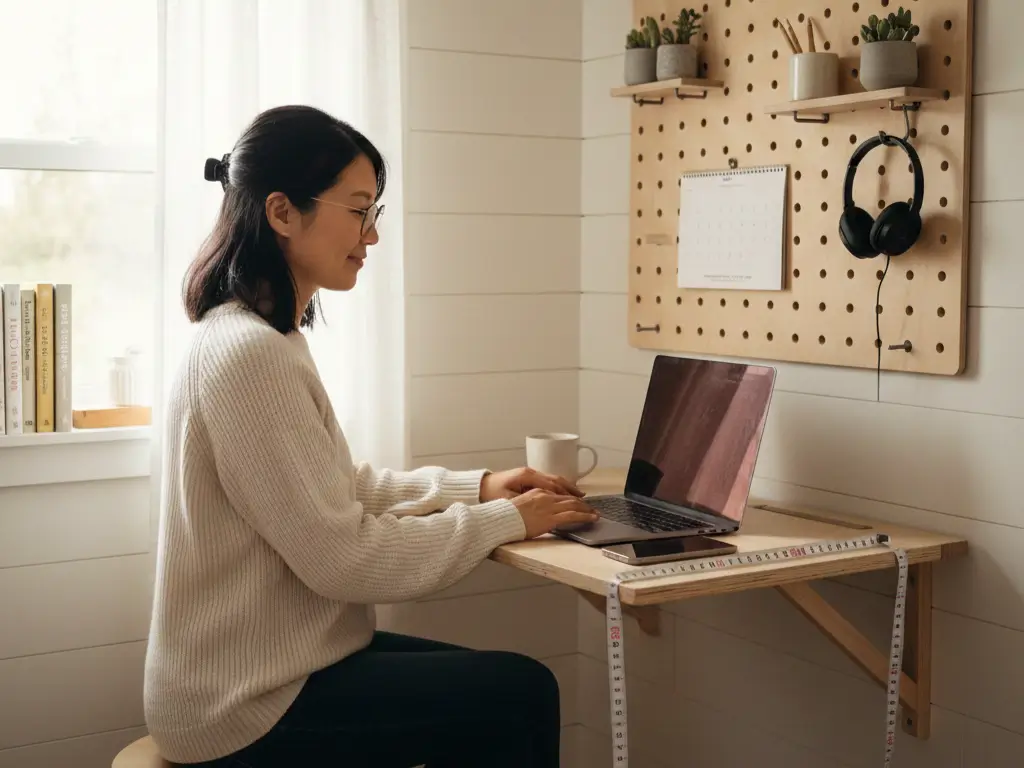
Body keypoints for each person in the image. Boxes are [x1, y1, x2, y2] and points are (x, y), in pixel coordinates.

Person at [144, 104, 598, 768]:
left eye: (374, 212)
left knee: (501, 688)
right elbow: (343, 560)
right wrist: (506, 520)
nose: (372, 235)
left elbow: (335, 491)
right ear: (281, 213)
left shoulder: (255, 336)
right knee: (519, 692)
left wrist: (478, 489)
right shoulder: (250, 355)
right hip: (244, 705)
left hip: (269, 675)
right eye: (359, 210)